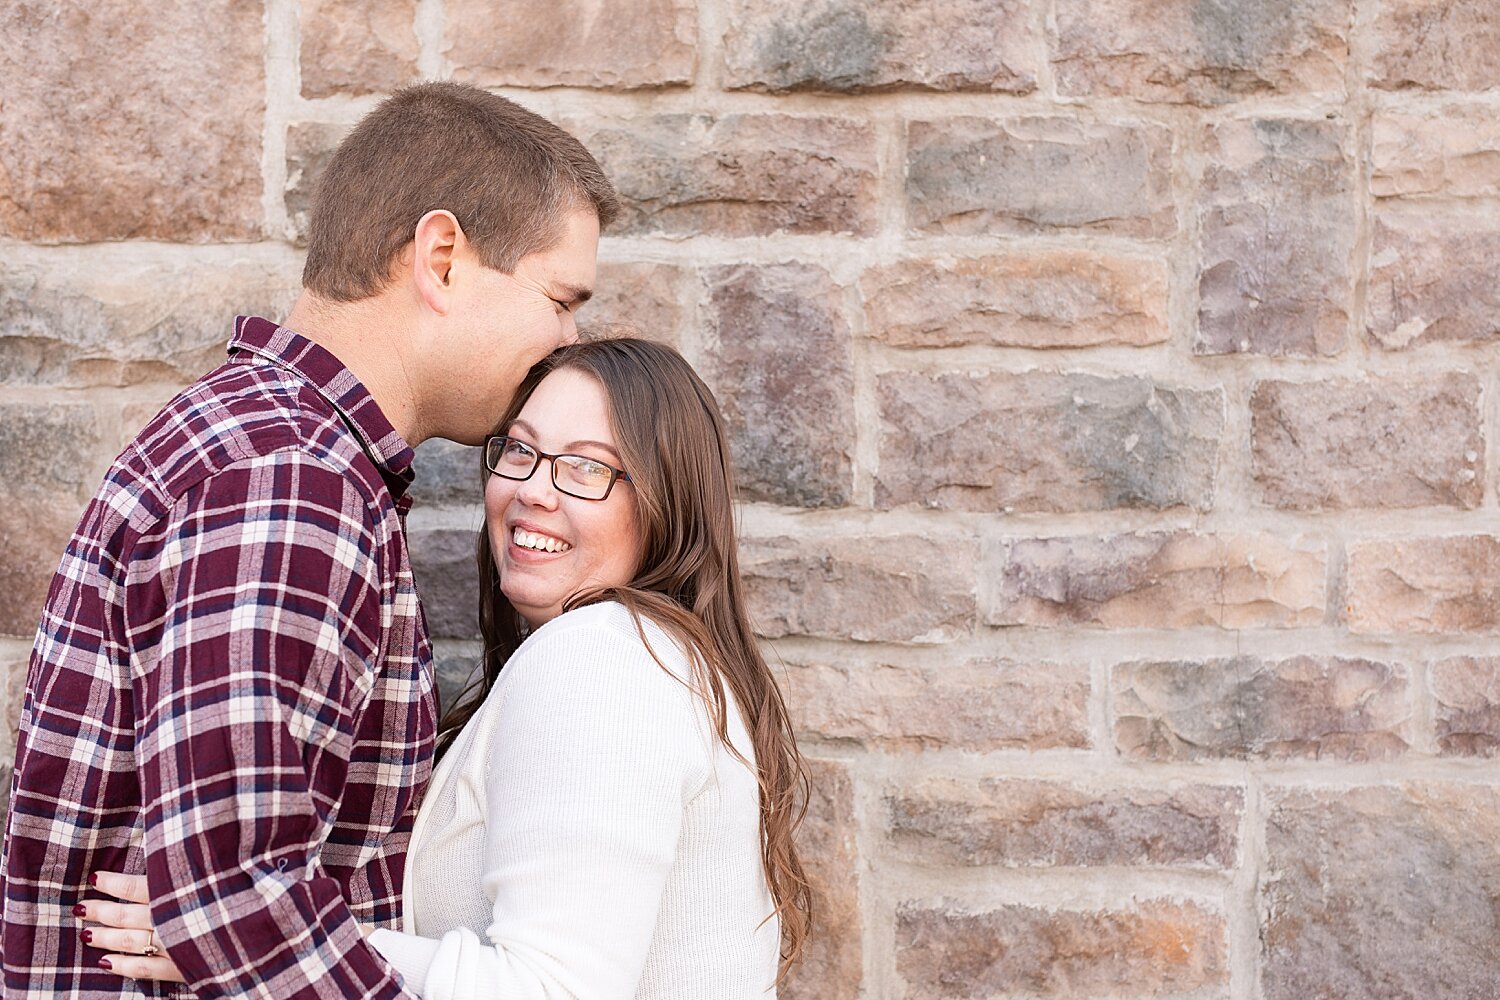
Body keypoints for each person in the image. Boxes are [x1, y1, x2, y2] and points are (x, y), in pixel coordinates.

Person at [2, 80, 617, 998]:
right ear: (441, 257)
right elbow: (227, 891)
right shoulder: (290, 478)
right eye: (561, 299)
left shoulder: (275, 449)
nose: (568, 341)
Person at [80, 338, 813, 998]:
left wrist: (255, 941)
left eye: (588, 467)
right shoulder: (645, 657)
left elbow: (550, 990)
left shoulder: (604, 662)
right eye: (521, 451)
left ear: (666, 504)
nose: (533, 489)